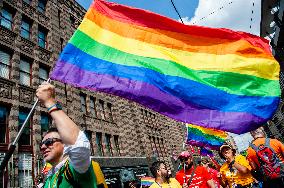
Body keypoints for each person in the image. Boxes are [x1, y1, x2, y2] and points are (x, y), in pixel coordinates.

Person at [36, 82, 97, 187]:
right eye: (41, 144)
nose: (43, 147)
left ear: (65, 144)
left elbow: (78, 143)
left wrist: (49, 102)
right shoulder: (48, 179)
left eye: (48, 142)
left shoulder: (76, 168)